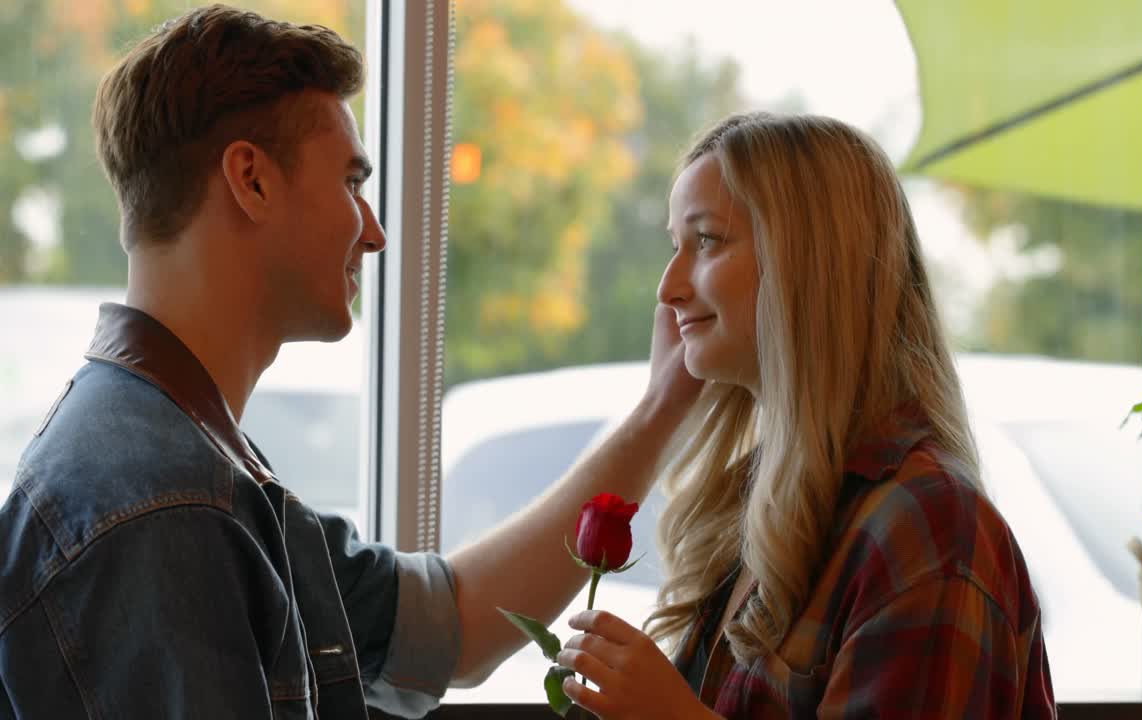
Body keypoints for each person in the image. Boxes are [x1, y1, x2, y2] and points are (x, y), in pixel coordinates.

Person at [0, 5, 701, 718]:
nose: (375, 233)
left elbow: (453, 627)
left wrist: (663, 403)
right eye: (352, 183)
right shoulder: (164, 506)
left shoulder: (189, 462)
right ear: (252, 180)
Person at [555, 113, 1058, 719]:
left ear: (810, 263)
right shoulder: (761, 499)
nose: (668, 288)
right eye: (674, 246)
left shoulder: (930, 529)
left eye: (707, 240)